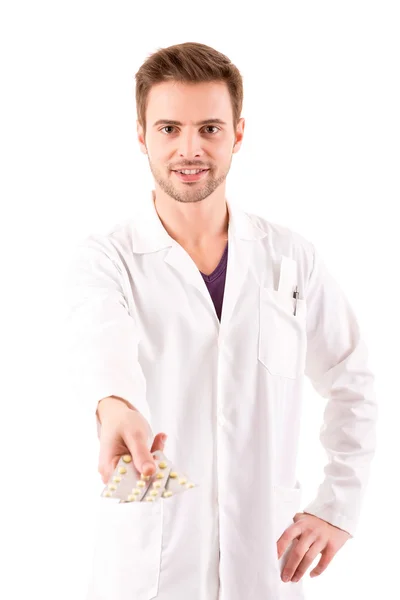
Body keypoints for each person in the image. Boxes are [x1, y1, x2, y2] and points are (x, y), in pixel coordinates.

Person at [64, 42, 377, 600]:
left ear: (237, 134)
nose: (190, 148)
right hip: (147, 570)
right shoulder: (107, 259)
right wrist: (115, 404)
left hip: (265, 566)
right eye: (168, 129)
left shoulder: (290, 258)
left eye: (209, 128)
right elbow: (99, 338)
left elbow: (353, 380)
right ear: (141, 135)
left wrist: (339, 507)